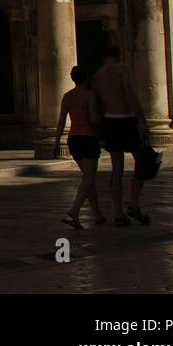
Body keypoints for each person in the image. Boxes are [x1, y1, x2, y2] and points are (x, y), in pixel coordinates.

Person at [90, 45, 150, 225]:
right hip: (127, 120)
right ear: (118, 56)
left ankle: (118, 212)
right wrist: (142, 120)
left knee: (117, 169)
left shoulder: (96, 76)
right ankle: (134, 202)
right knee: (143, 161)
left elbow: (98, 102)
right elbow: (130, 95)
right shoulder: (122, 69)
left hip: (110, 121)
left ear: (103, 56)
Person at [54, 65, 106, 230]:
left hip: (73, 139)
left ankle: (98, 214)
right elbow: (93, 119)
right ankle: (75, 210)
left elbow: (62, 121)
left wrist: (56, 142)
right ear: (87, 78)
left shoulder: (67, 96)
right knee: (89, 179)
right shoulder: (90, 96)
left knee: (88, 179)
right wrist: (104, 114)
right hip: (88, 138)